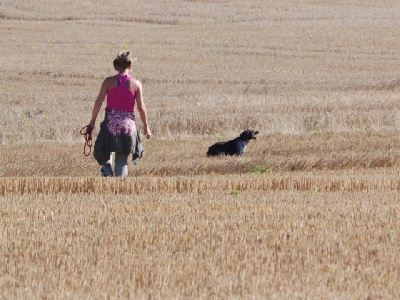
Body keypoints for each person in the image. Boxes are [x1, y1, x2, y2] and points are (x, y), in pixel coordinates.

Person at [87, 51, 151, 177]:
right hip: (128, 127)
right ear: (130, 66)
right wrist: (146, 126)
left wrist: (92, 122)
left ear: (116, 65)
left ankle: (106, 169)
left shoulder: (108, 82)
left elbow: (98, 102)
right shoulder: (136, 84)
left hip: (111, 124)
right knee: (121, 160)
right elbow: (141, 107)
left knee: (103, 149)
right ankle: (119, 188)